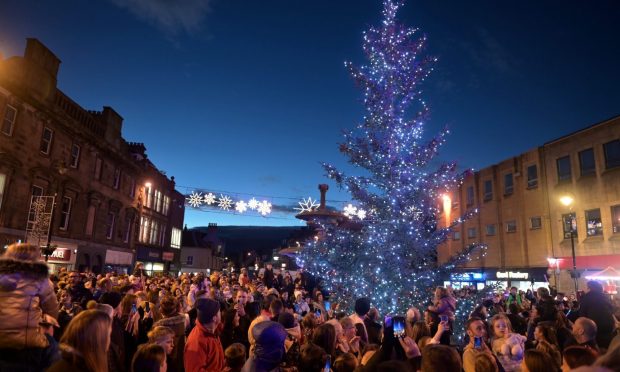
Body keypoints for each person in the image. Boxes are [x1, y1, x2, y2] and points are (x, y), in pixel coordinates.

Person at [0, 242, 59, 372]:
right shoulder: (40, 279)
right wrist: (46, 321)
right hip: (27, 345)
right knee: (55, 349)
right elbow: (52, 309)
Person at [184, 298, 225, 372]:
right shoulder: (196, 342)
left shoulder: (213, 331)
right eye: (219, 311)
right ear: (214, 318)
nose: (221, 313)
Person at [578, 280, 616, 349]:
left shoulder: (587, 298)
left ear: (590, 288)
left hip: (594, 327)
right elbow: (612, 309)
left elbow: (582, 316)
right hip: (608, 326)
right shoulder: (605, 297)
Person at [153, 296, 186, 372]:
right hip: (180, 358)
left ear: (162, 310)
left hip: (166, 361)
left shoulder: (159, 327)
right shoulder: (183, 321)